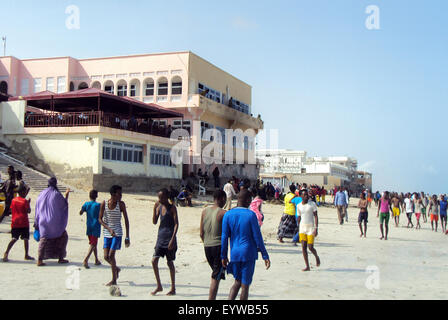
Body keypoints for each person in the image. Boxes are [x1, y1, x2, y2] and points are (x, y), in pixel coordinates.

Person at [221, 190, 270, 300]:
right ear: (248, 200)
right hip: (248, 253)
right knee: (245, 286)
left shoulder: (228, 214)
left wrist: (223, 256)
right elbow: (258, 237)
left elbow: (224, 237)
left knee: (237, 282)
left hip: (235, 253)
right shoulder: (251, 215)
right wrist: (265, 255)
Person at [34, 177, 71, 266]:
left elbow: (37, 207)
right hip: (54, 222)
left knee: (43, 239)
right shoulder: (57, 194)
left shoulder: (42, 193)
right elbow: (64, 205)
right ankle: (61, 258)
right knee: (64, 236)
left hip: (43, 222)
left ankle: (39, 260)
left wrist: (36, 222)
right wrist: (66, 196)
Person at [99, 185, 131, 286]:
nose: (121, 195)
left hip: (117, 233)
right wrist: (108, 229)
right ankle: (116, 269)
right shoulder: (104, 203)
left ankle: (114, 280)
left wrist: (127, 236)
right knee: (105, 257)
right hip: (107, 232)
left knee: (111, 255)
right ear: (113, 194)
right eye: (119, 193)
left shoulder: (121, 204)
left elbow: (126, 220)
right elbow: (100, 219)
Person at [200, 190, 227, 300]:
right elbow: (226, 235)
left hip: (207, 246)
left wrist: (206, 242)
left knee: (217, 274)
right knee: (215, 277)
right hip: (218, 246)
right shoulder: (223, 213)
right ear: (222, 198)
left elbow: (201, 233)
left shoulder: (204, 211)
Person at [151, 189, 179, 296]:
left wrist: (172, 239)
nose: (160, 200)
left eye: (162, 197)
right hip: (161, 238)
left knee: (170, 262)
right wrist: (154, 209)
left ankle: (173, 288)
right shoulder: (159, 207)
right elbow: (154, 222)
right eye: (159, 198)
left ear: (167, 196)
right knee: (154, 261)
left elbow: (176, 224)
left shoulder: (172, 208)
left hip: (169, 238)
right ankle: (159, 285)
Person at [2, 185, 34, 262]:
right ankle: (26, 255)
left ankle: (6, 253)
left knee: (14, 238)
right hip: (23, 222)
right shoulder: (24, 201)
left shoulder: (13, 200)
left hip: (15, 222)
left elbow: (11, 209)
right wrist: (28, 203)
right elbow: (28, 211)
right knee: (26, 239)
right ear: (23, 192)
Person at [297, 190, 320, 271]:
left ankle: (316, 256)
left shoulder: (312, 204)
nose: (307, 196)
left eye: (307, 195)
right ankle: (307, 266)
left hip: (310, 227)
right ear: (301, 196)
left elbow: (316, 216)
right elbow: (299, 217)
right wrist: (297, 227)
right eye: (304, 195)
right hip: (302, 228)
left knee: (310, 247)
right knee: (303, 247)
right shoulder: (299, 205)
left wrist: (316, 229)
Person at [79, 190, 102, 269]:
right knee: (93, 244)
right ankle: (86, 259)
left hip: (89, 226)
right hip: (96, 226)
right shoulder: (98, 205)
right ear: (96, 196)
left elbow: (81, 212)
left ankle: (96, 259)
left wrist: (83, 211)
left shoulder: (86, 204)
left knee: (94, 244)